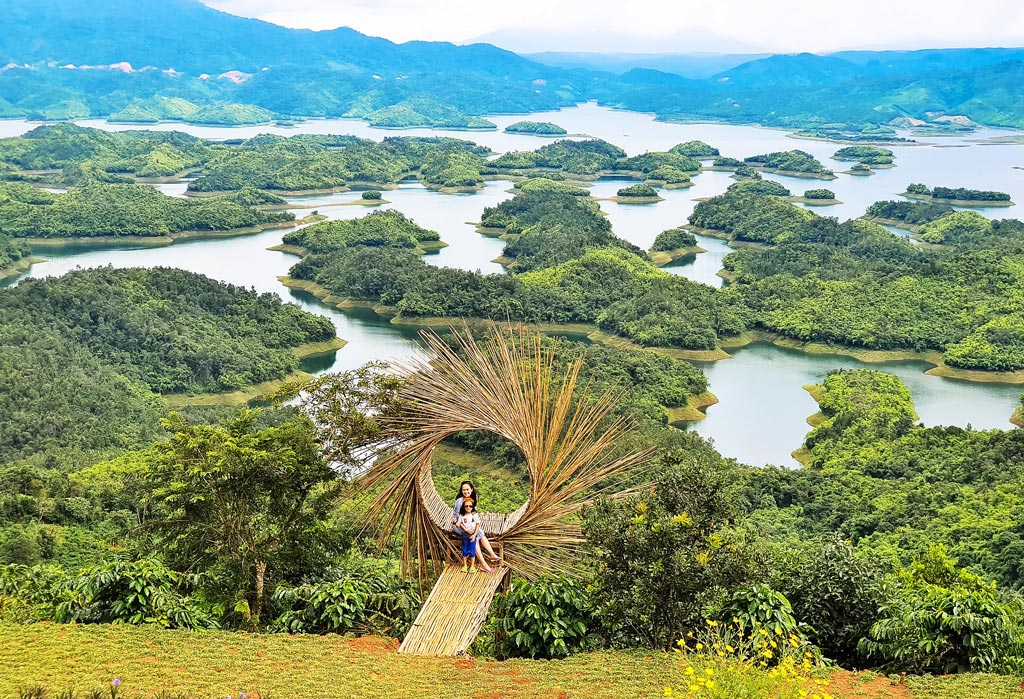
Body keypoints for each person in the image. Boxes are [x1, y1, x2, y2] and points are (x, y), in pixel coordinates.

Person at [451, 481, 501, 563]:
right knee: (474, 537)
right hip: (460, 526)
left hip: (470, 524)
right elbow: (456, 520)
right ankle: (484, 563)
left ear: (471, 489)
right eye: (463, 490)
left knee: (479, 532)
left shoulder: (474, 498)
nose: (466, 492)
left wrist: (474, 526)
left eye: (467, 489)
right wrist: (466, 529)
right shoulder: (459, 502)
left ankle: (493, 555)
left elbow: (473, 513)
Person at [456, 498, 493, 574]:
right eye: (466, 506)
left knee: (472, 551)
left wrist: (475, 535)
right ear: (464, 506)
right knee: (465, 551)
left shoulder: (474, 515)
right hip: (465, 535)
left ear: (472, 507)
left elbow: (478, 524)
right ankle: (465, 566)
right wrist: (465, 529)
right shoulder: (462, 515)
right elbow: (458, 524)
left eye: (470, 506)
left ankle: (472, 566)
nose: (468, 507)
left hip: (473, 535)